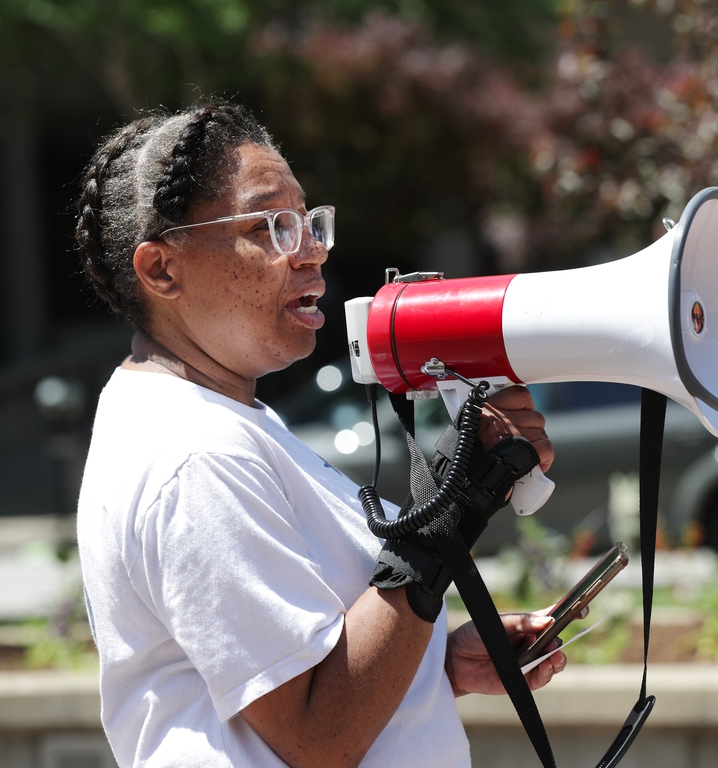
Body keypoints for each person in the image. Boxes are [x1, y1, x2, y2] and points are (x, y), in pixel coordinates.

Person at [75, 101, 564, 768]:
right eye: (271, 226)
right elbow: (318, 736)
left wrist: (434, 669)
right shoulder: (196, 454)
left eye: (308, 222)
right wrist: (448, 516)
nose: (312, 251)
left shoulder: (215, 418)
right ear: (162, 270)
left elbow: (277, 681)